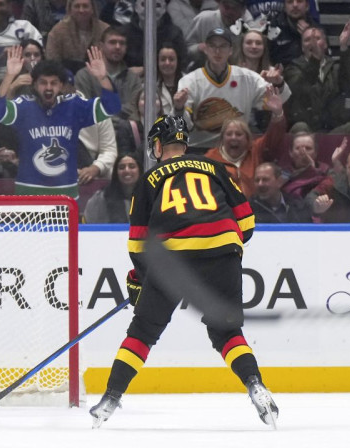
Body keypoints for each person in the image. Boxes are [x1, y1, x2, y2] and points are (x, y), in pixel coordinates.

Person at [89, 115, 278, 429]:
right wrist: (226, 249)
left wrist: (141, 278)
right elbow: (246, 223)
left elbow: (137, 244)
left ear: (160, 146)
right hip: (223, 250)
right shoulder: (217, 168)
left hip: (171, 258)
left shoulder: (149, 179)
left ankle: (110, 398)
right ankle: (256, 386)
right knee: (227, 332)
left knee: (142, 334)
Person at [0, 45, 120, 198]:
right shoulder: (24, 106)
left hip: (65, 195)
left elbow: (112, 107)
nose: (48, 87)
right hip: (28, 193)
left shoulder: (74, 106)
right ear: (34, 85)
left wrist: (102, 77)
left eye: (54, 83)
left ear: (62, 86)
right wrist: (9, 76)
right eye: (43, 82)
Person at [176, 27, 290, 151]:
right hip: (200, 149)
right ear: (206, 50)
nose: (218, 51)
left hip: (236, 149)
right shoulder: (190, 81)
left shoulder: (248, 78)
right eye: (213, 46)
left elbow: (280, 100)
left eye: (223, 46)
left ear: (231, 50)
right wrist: (179, 108)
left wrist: (278, 83)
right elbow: (182, 126)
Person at [283, 22, 350, 135]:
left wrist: (343, 46)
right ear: (302, 47)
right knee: (299, 128)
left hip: (332, 129)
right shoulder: (292, 68)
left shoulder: (334, 67)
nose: (313, 43)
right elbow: (299, 87)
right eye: (307, 40)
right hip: (306, 130)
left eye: (317, 38)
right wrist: (315, 60)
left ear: (325, 44)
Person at [203, 88, 285, 197]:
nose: (233, 138)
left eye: (238, 134)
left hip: (256, 208)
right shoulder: (211, 158)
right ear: (222, 139)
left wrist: (277, 113)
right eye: (229, 134)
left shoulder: (255, 150)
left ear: (247, 138)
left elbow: (274, 137)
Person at [0, 0, 43, 80]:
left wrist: (18, 55)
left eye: (1, 4)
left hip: (25, 81)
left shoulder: (25, 27)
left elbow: (40, 57)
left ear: (10, 6)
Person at [307, 149, 350, 223]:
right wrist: (316, 206)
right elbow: (310, 197)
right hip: (335, 233)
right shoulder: (333, 183)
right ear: (346, 168)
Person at [45, 0, 110, 73]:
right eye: (77, 6)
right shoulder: (57, 32)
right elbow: (52, 62)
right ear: (70, 9)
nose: (81, 10)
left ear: (93, 9)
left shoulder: (105, 30)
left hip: (98, 76)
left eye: (85, 6)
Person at [185, 0, 251, 69]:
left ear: (243, 11)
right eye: (226, 7)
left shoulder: (248, 27)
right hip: (202, 70)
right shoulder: (204, 19)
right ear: (219, 5)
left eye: (234, 8)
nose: (230, 12)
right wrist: (198, 48)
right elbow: (184, 50)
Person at [83, 152, 142, 223]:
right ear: (116, 172)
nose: (127, 170)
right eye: (121, 167)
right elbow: (91, 228)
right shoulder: (101, 198)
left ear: (140, 170)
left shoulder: (151, 196)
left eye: (132, 166)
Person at [280, 132, 334, 199]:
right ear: (291, 152)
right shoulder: (282, 174)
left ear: (316, 153)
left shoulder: (327, 171)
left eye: (308, 148)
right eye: (298, 148)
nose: (303, 152)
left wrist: (314, 172)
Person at [268, 0, 316, 65]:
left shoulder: (316, 28)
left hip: (309, 71)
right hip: (281, 72)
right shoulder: (275, 26)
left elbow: (324, 58)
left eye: (299, 1)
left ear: (307, 6)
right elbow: (268, 57)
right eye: (290, 2)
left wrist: (308, 36)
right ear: (284, 7)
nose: (295, 5)